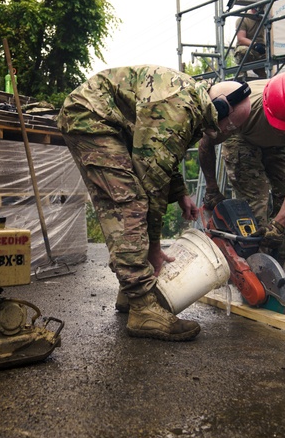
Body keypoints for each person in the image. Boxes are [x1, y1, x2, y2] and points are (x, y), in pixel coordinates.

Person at [56, 66, 252, 342]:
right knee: (129, 203)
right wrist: (155, 249)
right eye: (230, 127)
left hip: (107, 120)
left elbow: (161, 156)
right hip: (92, 117)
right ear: (220, 109)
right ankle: (143, 308)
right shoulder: (179, 109)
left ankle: (131, 291)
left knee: (132, 199)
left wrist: (181, 192)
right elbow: (152, 185)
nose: (227, 135)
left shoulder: (193, 106)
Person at [198, 71, 285, 265]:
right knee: (255, 203)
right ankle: (247, 266)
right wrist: (212, 189)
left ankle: (276, 272)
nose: (281, 129)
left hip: (282, 145)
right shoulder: (242, 108)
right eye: (279, 124)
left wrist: (278, 225)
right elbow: (206, 143)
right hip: (242, 137)